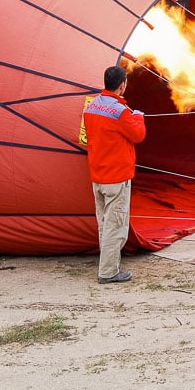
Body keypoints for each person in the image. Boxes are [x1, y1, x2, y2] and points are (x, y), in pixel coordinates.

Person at [82, 65, 146, 284]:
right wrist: (138, 116)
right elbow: (138, 135)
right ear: (122, 85)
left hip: (98, 176)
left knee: (104, 223)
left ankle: (108, 264)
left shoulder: (91, 107)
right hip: (117, 178)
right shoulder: (120, 111)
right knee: (115, 226)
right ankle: (108, 272)